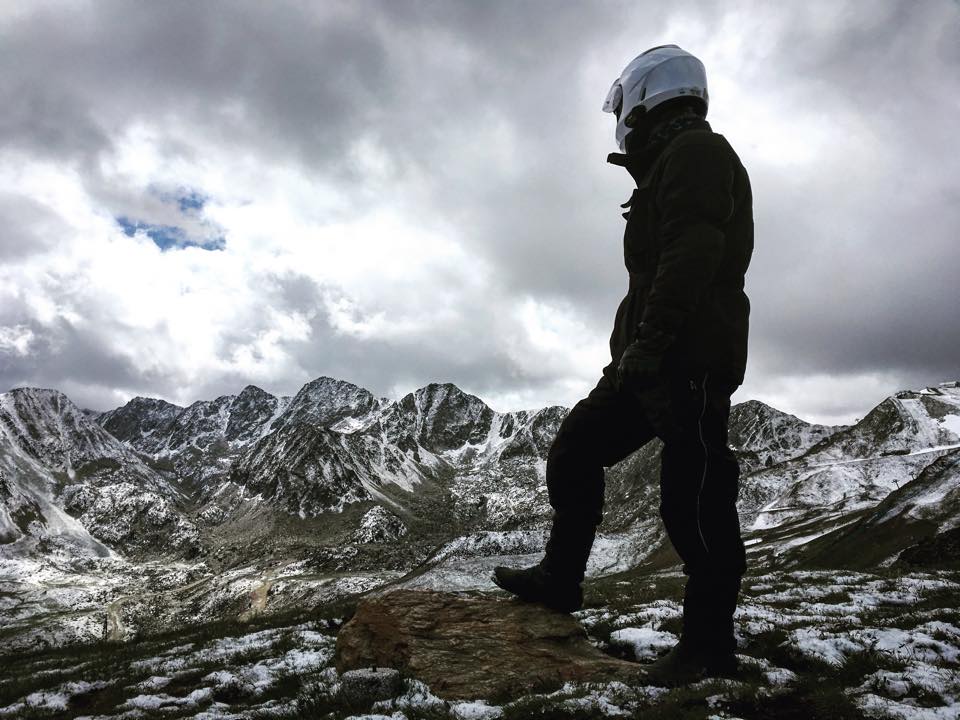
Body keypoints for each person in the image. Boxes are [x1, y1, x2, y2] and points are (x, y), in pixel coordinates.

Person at [492, 44, 753, 686]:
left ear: (646, 98)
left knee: (695, 504)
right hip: (647, 360)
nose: (622, 123)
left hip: (685, 359)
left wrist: (651, 342)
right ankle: (560, 579)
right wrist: (631, 350)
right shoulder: (671, 160)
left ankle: (710, 647)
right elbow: (654, 272)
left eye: (625, 108)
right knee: (577, 447)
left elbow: (693, 254)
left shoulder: (696, 153)